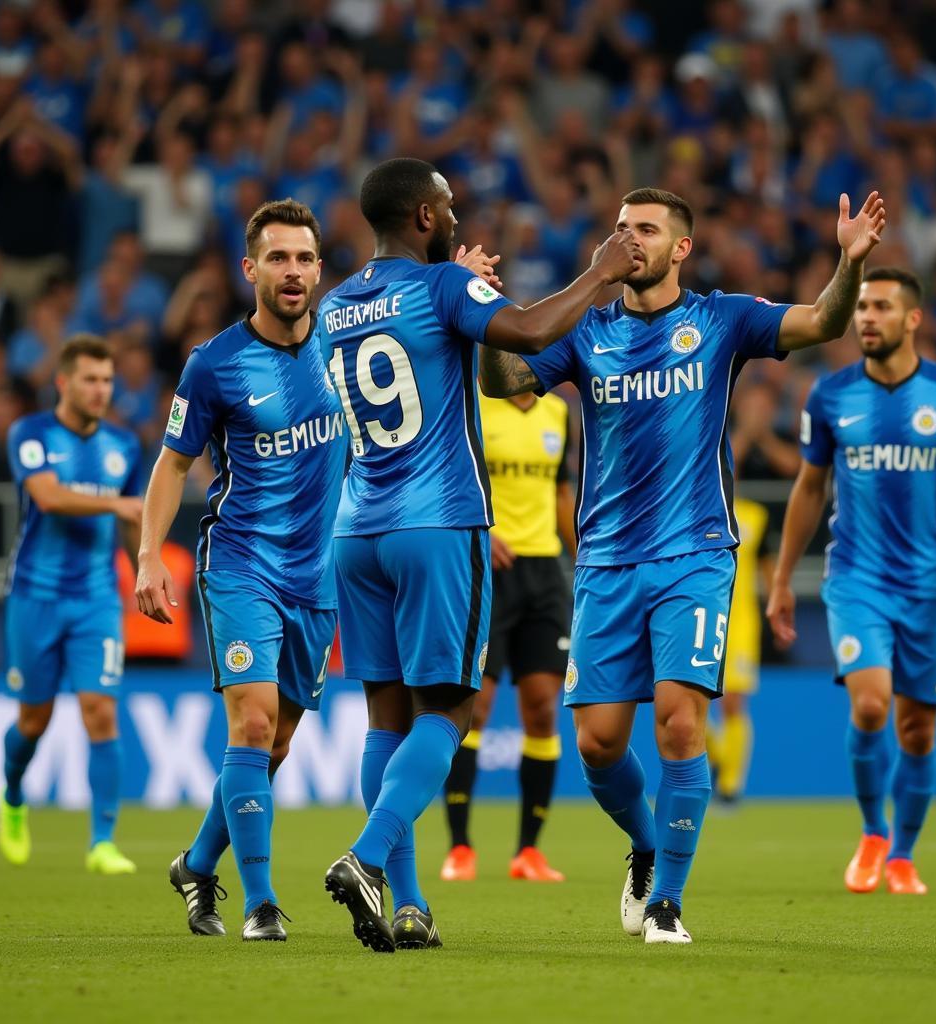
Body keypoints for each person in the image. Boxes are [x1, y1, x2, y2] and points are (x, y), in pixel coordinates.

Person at [479, 186, 886, 944]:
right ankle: (645, 844)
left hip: (694, 553)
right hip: (603, 561)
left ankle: (667, 900)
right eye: (620, 228)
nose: (630, 240)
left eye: (646, 230)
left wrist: (849, 263)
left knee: (676, 719)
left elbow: (824, 321)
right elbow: (502, 381)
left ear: (681, 249)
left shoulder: (721, 319)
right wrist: (486, 314)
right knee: (598, 742)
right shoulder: (587, 329)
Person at [318, 156, 636, 953]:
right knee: (452, 713)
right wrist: (598, 272)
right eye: (448, 206)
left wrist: (458, 287)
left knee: (386, 720)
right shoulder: (444, 290)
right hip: (439, 524)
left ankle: (413, 902)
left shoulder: (337, 305)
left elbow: (428, 343)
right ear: (424, 217)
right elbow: (528, 334)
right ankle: (364, 857)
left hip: (357, 529)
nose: (457, 215)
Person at [135, 199, 348, 942]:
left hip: (318, 577)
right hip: (242, 565)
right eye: (279, 258)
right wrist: (147, 558)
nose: (293, 272)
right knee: (251, 723)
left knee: (277, 743)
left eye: (305, 258)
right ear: (250, 268)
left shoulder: (349, 345)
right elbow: (171, 466)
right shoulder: (215, 364)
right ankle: (260, 904)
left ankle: (196, 862)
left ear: (320, 269)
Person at [766, 267, 936, 896]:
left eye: (881, 308)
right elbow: (810, 488)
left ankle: (903, 854)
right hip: (856, 578)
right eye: (862, 307)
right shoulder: (830, 394)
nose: (866, 317)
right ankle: (872, 834)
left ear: (912, 319)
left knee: (917, 727)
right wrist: (783, 578)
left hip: (929, 587)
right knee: (871, 704)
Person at [0, 334, 143, 875]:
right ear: (63, 382)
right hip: (35, 596)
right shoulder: (30, 434)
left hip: (97, 599)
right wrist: (119, 502)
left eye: (107, 380)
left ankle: (102, 842)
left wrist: (143, 571)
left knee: (101, 711)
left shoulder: (124, 446)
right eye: (90, 379)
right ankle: (13, 795)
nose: (101, 390)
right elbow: (49, 497)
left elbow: (129, 522)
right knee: (33, 719)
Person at [440, 388, 577, 883]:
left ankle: (528, 852)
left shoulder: (558, 413)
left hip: (544, 575)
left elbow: (561, 489)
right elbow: (452, 479)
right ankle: (459, 846)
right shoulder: (475, 405)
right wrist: (482, 529)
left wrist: (580, 556)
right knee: (474, 705)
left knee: (542, 708)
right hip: (488, 568)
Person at [706, 494, 773, 805]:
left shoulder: (755, 515)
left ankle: (730, 787)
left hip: (742, 624)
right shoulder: (697, 506)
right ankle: (718, 756)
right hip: (701, 617)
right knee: (683, 701)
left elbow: (768, 565)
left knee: (733, 703)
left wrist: (776, 605)